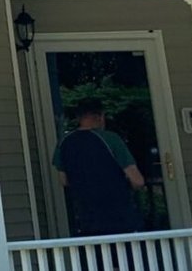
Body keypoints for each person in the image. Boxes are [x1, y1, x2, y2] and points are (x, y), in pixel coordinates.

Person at [52, 100, 147, 236]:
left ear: (79, 118)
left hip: (85, 216)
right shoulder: (111, 139)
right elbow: (137, 181)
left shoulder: (64, 143)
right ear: (100, 116)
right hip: (119, 214)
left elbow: (64, 181)